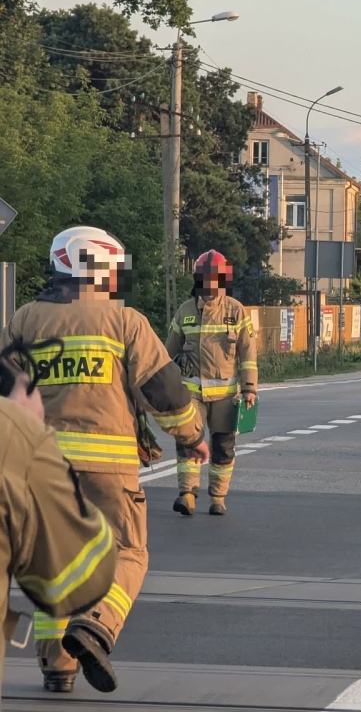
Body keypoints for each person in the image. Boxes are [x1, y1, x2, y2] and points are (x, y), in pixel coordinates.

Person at [0, 226, 208, 695]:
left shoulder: (23, 321)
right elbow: (164, 390)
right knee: (127, 553)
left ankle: (58, 668)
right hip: (107, 470)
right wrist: (192, 434)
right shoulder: (124, 322)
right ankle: (97, 624)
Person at [0, 347, 118, 700]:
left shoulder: (24, 319)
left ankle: (56, 664)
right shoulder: (14, 435)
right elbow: (78, 577)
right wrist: (25, 426)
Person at [165, 249, 257, 517]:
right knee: (188, 442)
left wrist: (249, 388)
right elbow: (167, 352)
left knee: (223, 447)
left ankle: (218, 497)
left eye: (215, 277)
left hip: (226, 398)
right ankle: (187, 494)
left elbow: (248, 354)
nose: (210, 283)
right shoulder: (185, 311)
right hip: (191, 394)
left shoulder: (236, 311)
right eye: (205, 277)